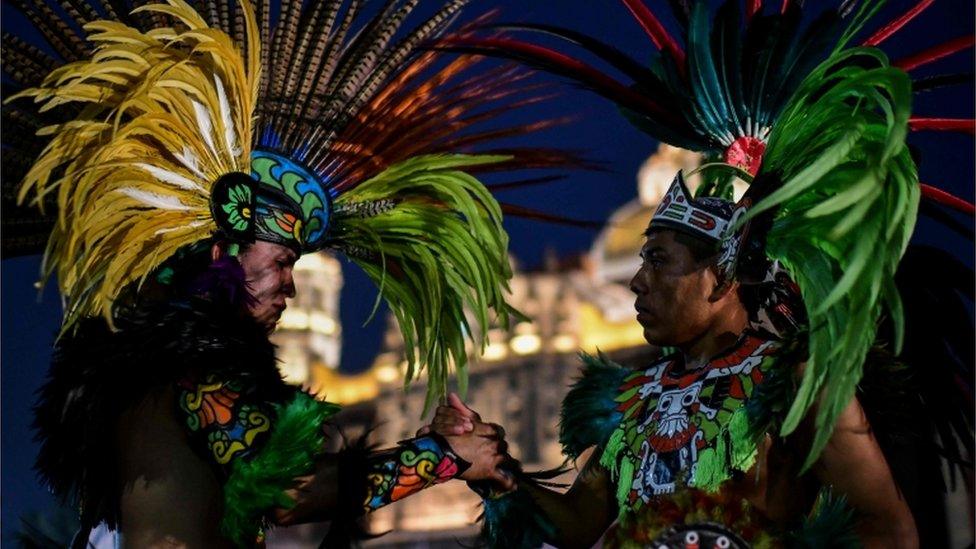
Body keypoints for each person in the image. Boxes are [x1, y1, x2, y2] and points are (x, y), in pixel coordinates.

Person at [4, 0, 556, 545]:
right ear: (222, 253)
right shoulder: (192, 361)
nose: (290, 286)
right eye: (283, 262)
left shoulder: (153, 356)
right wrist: (441, 458)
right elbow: (286, 494)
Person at [428, 0, 974, 545]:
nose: (639, 281)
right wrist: (492, 474)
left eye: (661, 261)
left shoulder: (795, 381)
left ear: (723, 276)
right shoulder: (632, 399)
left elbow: (888, 528)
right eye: (642, 261)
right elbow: (574, 526)